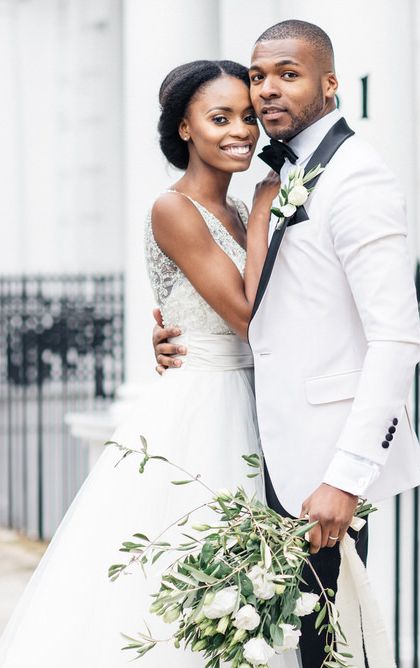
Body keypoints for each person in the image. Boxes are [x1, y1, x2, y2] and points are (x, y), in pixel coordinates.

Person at [0, 60, 298, 667]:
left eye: (247, 116)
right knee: (193, 574)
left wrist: (259, 208)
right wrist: (271, 205)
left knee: (249, 587)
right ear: (185, 129)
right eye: (220, 118)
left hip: (256, 398)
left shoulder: (238, 208)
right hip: (203, 408)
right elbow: (247, 313)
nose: (241, 129)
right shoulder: (175, 208)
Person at [154, 21, 420, 666]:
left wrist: (346, 478)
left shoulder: (357, 178)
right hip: (261, 443)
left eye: (288, 74)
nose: (268, 90)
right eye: (258, 77)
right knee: (289, 643)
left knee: (329, 644)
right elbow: (268, 308)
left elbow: (395, 339)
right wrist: (177, 331)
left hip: (324, 466)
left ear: (330, 83)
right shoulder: (273, 183)